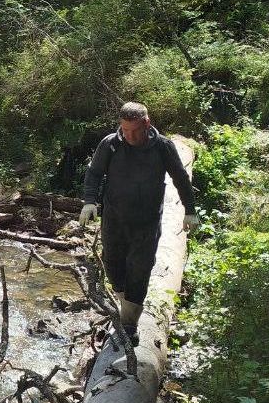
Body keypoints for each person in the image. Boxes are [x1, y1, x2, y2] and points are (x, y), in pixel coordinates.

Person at [78, 102, 199, 346]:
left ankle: (130, 324)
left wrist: (190, 211)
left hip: (146, 222)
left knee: (139, 270)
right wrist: (89, 201)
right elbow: (94, 173)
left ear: (147, 123)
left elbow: (180, 178)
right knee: (113, 267)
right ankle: (126, 309)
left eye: (134, 131)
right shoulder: (111, 143)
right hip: (114, 219)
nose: (129, 136)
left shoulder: (163, 147)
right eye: (125, 130)